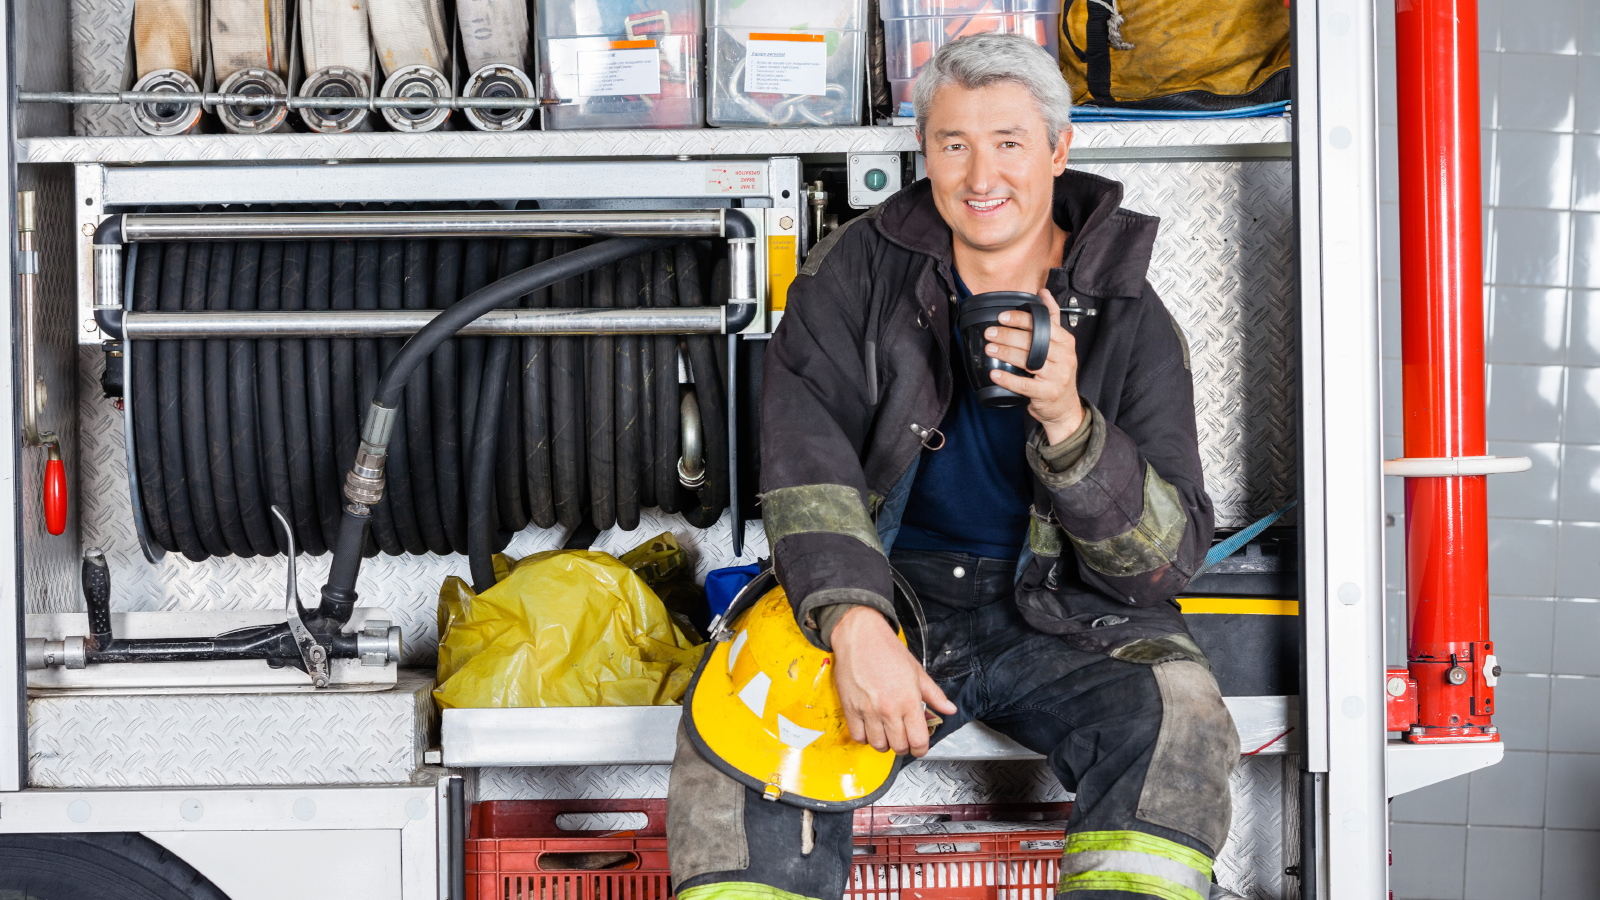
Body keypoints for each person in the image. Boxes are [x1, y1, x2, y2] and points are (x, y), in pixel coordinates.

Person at [667, 32, 1238, 900]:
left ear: (1059, 148)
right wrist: (854, 624)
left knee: (1179, 720)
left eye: (1009, 143)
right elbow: (803, 461)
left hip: (1063, 616)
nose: (981, 177)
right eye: (953, 143)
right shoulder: (855, 272)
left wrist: (1068, 420)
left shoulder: (1131, 318)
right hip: (888, 598)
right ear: (923, 150)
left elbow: (1162, 563)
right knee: (743, 735)